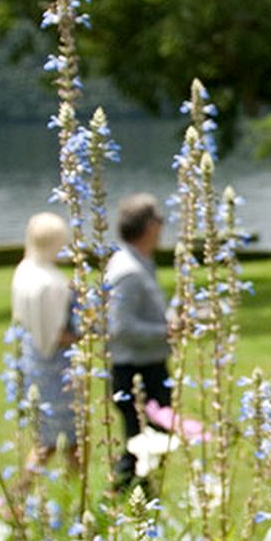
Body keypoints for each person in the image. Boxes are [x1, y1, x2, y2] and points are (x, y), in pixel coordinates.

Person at [106, 193, 173, 485]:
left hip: (148, 365)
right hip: (136, 371)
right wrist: (166, 331)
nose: (163, 226)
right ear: (149, 226)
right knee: (141, 447)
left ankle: (139, 503)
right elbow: (119, 326)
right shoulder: (128, 271)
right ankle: (126, 501)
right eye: (159, 220)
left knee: (154, 443)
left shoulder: (140, 262)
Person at [10, 211, 79, 470]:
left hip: (32, 358)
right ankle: (70, 497)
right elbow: (57, 335)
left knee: (46, 436)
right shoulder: (53, 283)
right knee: (65, 439)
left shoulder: (24, 269)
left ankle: (23, 496)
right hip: (56, 364)